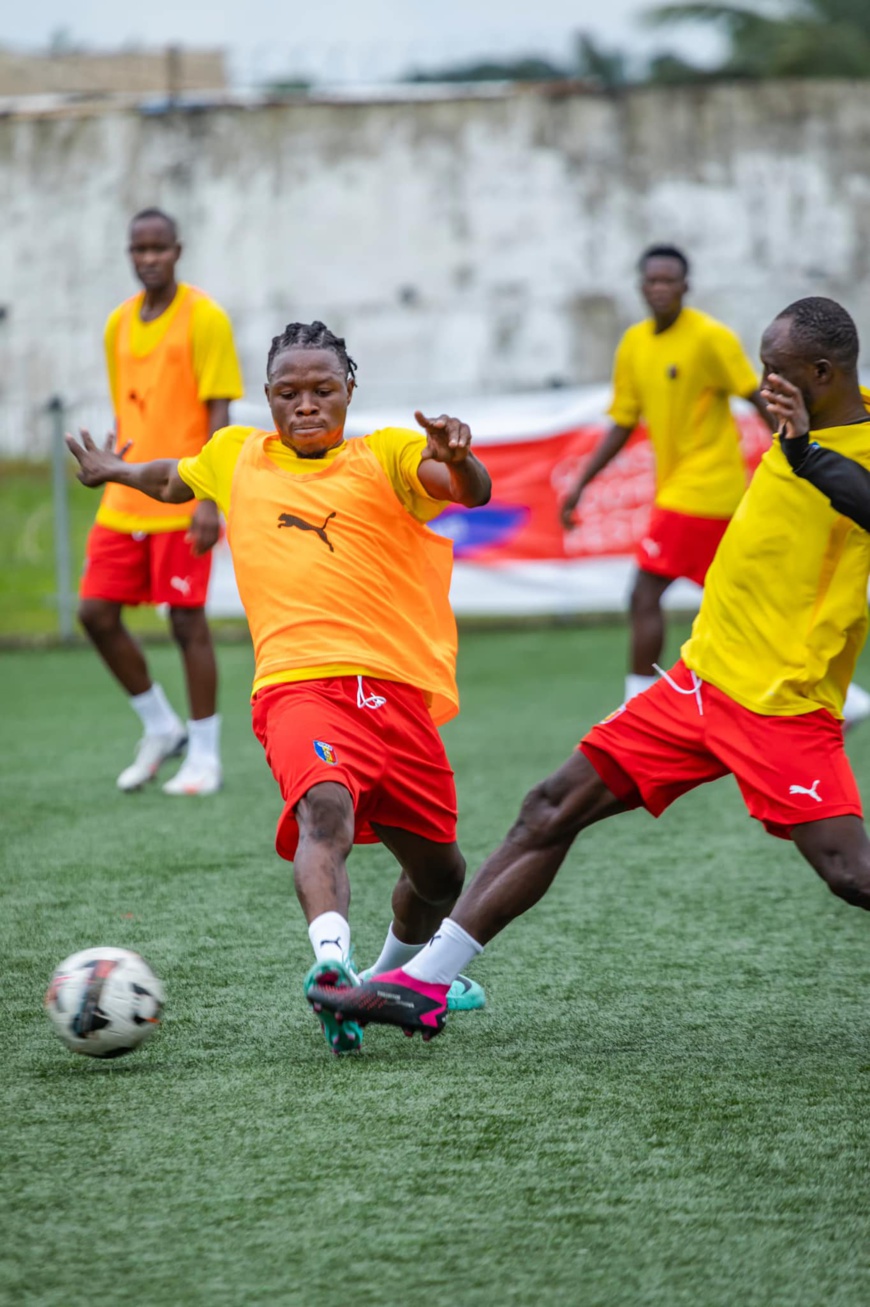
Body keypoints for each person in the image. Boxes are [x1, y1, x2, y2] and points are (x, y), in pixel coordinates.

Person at [308, 296, 870, 1040]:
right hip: (698, 685)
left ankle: (423, 980)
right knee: (549, 807)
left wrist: (799, 450)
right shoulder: (799, 421)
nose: (763, 383)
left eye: (778, 371)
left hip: (780, 704)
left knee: (849, 872)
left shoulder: (828, 442)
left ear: (824, 373)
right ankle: (424, 984)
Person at [66, 319, 492, 1053]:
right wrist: (115, 471)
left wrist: (464, 459)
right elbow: (174, 476)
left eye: (323, 389)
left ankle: (381, 981)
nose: (305, 404)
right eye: (288, 392)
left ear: (349, 390)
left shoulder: (385, 453)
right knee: (323, 813)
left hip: (394, 695)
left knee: (440, 876)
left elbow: (465, 489)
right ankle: (330, 963)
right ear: (266, 397)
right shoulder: (238, 453)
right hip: (298, 687)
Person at [561, 245, 774, 703]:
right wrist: (580, 485)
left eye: (669, 281)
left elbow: (754, 396)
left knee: (643, 592)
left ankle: (635, 705)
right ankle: (842, 698)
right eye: (652, 281)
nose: (660, 289)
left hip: (705, 488)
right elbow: (622, 421)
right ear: (641, 287)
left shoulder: (710, 338)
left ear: (685, 287)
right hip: (684, 492)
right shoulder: (635, 344)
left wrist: (799, 456)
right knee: (739, 605)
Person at [79, 207, 244, 796]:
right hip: (127, 494)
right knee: (94, 613)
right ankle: (161, 727)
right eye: (138, 250)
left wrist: (208, 496)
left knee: (185, 622)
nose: (148, 259)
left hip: (181, 494)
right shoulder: (117, 324)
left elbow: (219, 410)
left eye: (159, 248)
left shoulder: (205, 318)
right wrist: (110, 467)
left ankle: (205, 755)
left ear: (178, 250)